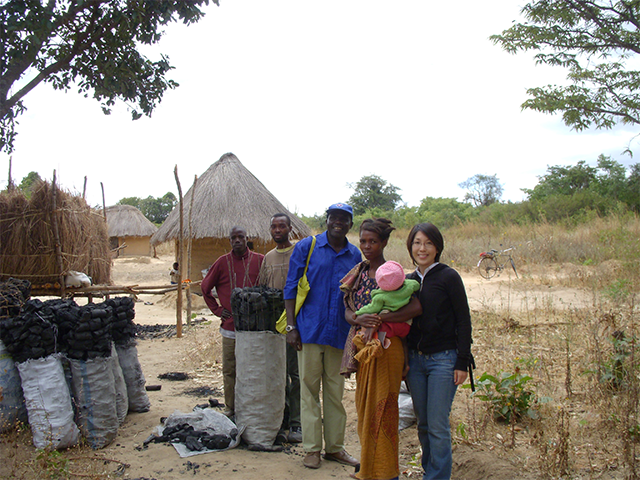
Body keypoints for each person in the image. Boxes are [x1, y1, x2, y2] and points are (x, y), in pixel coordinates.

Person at [340, 218, 421, 480]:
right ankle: (369, 468)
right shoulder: (359, 273)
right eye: (363, 241)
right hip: (366, 350)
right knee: (364, 409)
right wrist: (358, 319)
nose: (366, 246)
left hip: (388, 350)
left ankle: (386, 473)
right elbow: (348, 311)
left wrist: (381, 319)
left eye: (372, 241)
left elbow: (414, 309)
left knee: (383, 410)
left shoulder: (393, 274)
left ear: (384, 242)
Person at [284, 202, 362, 470]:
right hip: (309, 331)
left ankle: (335, 448)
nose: (338, 222)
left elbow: (357, 294)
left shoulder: (355, 255)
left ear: (350, 224)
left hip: (340, 334)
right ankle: (312, 449)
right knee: (307, 391)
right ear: (326, 220)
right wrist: (291, 327)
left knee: (334, 393)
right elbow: (291, 287)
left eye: (344, 219)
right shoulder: (307, 247)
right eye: (334, 217)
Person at [404, 223, 473, 480]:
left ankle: (437, 477)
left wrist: (462, 362)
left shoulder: (448, 276)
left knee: (437, 425)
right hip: (415, 362)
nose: (422, 249)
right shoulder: (409, 281)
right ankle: (429, 471)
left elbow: (463, 320)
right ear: (410, 246)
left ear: (437, 247)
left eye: (428, 243)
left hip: (444, 360)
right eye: (417, 243)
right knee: (422, 423)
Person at [201, 227, 264, 418]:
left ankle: (252, 408)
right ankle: (231, 408)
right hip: (230, 328)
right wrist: (219, 311)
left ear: (247, 239)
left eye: (240, 237)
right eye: (233, 238)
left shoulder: (260, 260)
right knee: (230, 370)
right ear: (229, 241)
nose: (237, 241)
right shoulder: (222, 263)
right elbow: (205, 288)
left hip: (254, 329)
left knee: (254, 369)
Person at [258, 213, 302, 444]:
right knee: (277, 374)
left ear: (290, 229)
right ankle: (281, 419)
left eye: (282, 226)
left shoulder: (300, 253)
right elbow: (263, 288)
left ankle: (297, 422)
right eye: (274, 226)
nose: (277, 230)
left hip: (295, 325)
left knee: (295, 374)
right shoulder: (269, 258)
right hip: (274, 326)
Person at [354, 260, 420, 347]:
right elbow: (416, 285)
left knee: (370, 323)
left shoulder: (380, 297)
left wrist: (358, 313)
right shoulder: (409, 286)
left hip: (391, 326)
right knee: (403, 343)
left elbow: (372, 308)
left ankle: (382, 342)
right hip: (406, 325)